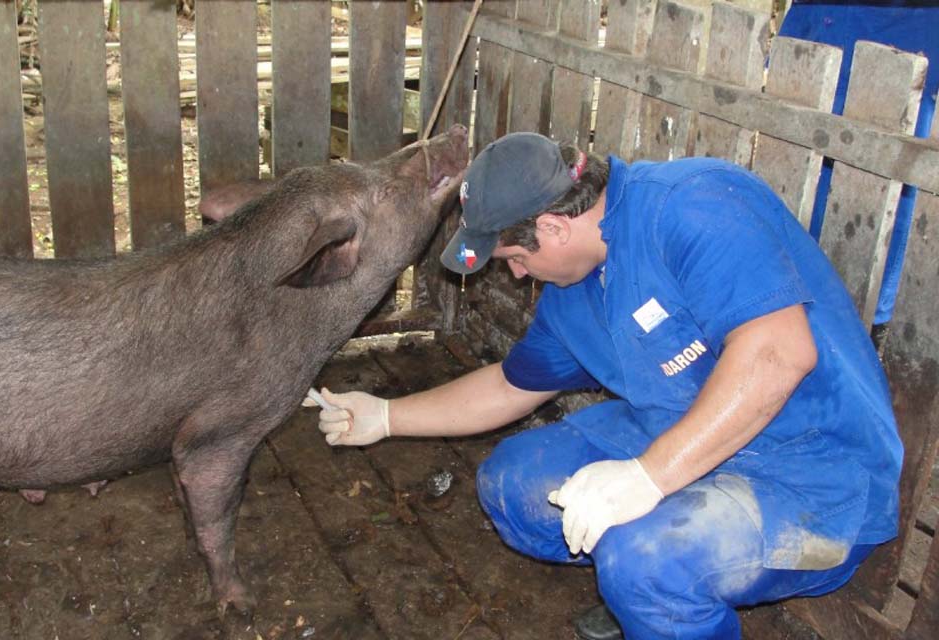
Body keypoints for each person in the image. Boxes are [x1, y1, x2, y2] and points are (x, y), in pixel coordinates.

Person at [303, 132, 902, 640]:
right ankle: (649, 602)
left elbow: (778, 353)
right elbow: (510, 388)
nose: (515, 272)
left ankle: (652, 588)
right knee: (517, 486)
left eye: (513, 256)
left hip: (813, 469)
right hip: (671, 431)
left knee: (645, 559)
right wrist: (384, 416)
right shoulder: (574, 295)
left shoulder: (691, 205)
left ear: (551, 228)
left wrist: (647, 477)